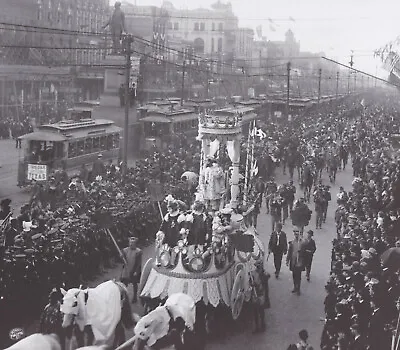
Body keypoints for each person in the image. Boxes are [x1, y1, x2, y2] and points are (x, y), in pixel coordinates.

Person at [120, 236, 142, 303]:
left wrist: (136, 271)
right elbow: (121, 261)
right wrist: (121, 257)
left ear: (135, 244)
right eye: (130, 243)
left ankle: (135, 297)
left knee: (134, 284)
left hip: (134, 269)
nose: (131, 244)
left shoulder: (138, 251)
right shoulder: (125, 250)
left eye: (133, 243)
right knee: (123, 284)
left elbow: (139, 263)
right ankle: (124, 297)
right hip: (126, 269)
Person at [249, 260, 266, 333]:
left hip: (261, 294)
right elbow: (250, 282)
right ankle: (256, 326)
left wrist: (256, 284)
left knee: (261, 310)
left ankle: (262, 324)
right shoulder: (253, 273)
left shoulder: (264, 274)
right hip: (255, 295)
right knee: (255, 311)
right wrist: (251, 282)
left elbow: (263, 284)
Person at [286, 229, 305, 295]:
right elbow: (289, 252)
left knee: (298, 276)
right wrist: (287, 260)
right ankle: (295, 287)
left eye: (297, 234)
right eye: (295, 235)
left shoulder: (302, 243)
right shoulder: (292, 242)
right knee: (294, 275)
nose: (296, 236)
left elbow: (304, 253)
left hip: (299, 262)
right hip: (293, 261)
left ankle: (298, 288)